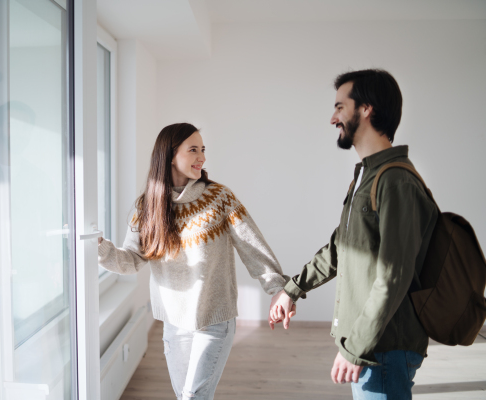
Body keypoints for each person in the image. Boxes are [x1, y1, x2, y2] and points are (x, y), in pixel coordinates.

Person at [268, 69, 439, 399]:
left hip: (383, 349)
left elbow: (393, 275)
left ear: (366, 109)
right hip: (373, 347)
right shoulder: (368, 176)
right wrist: (293, 289)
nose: (333, 118)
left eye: (339, 107)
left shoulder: (395, 182)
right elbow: (340, 247)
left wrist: (355, 347)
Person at [97, 123, 294, 400]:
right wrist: (99, 248)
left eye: (203, 149)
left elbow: (253, 247)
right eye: (193, 149)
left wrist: (277, 288)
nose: (202, 157)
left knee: (193, 397)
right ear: (169, 156)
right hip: (174, 322)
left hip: (214, 319)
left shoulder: (219, 198)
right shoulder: (147, 206)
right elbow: (131, 260)